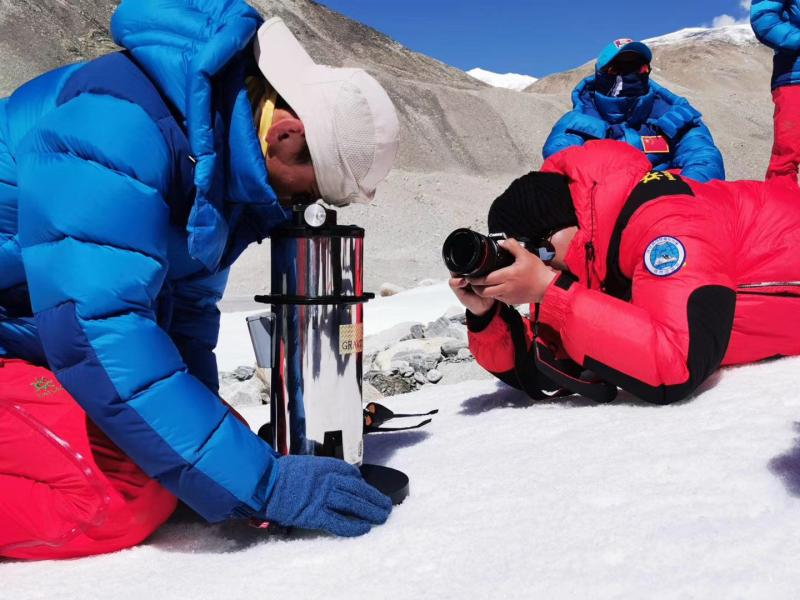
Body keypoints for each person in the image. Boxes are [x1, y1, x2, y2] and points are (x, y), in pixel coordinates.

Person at [0, 0, 399, 559]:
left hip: (33, 341)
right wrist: (262, 487)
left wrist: (220, 472)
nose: (298, 208)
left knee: (206, 448)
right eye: (307, 192)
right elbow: (97, 328)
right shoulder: (117, 126)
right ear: (285, 135)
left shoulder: (215, 165)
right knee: (118, 497)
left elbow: (185, 320)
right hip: (43, 340)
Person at [450, 10, 800, 406]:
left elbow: (677, 364)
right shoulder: (583, 248)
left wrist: (551, 288)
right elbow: (547, 368)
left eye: (542, 250)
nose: (543, 263)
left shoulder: (665, 223)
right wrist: (485, 315)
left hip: (676, 215)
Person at [542, 38, 725, 183]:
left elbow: (704, 158)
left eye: (640, 67)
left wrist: (677, 196)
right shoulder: (577, 122)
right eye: (619, 68)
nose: (631, 74)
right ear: (602, 74)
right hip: (602, 207)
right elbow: (560, 160)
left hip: (665, 204)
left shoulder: (675, 115)